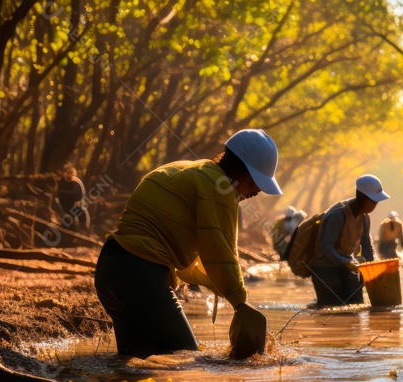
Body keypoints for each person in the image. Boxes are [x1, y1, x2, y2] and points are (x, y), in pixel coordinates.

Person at [94, 129, 281, 358]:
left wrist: (218, 287)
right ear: (238, 170)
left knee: (133, 361)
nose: (256, 192)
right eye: (254, 183)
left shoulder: (186, 169)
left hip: (109, 270)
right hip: (142, 275)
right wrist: (239, 302)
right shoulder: (220, 187)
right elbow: (219, 251)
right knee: (186, 360)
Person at [309, 174, 386, 306]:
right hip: (324, 265)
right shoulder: (338, 215)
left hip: (347, 263)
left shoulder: (365, 218)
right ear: (362, 198)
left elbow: (367, 245)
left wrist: (371, 268)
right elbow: (326, 247)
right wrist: (345, 262)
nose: (375, 204)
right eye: (373, 201)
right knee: (331, 306)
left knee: (356, 304)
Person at [55, 163, 88, 230]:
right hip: (63, 208)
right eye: (69, 173)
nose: (71, 175)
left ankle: (82, 229)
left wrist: (79, 201)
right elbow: (57, 196)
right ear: (64, 173)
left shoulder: (77, 183)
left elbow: (81, 196)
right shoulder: (60, 182)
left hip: (74, 208)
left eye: (72, 173)